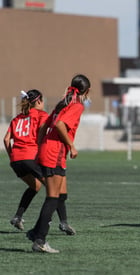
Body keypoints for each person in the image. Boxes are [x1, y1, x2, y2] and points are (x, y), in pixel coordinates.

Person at [27, 74, 90, 253]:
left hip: (50, 150)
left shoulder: (63, 102)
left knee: (61, 195)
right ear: (88, 91)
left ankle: (34, 232)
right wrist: (72, 146)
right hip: (55, 152)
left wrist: (40, 146)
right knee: (53, 197)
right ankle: (39, 240)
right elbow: (60, 125)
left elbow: (44, 126)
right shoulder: (77, 105)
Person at [4, 90, 75, 234]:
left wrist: (12, 155)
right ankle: (63, 222)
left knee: (35, 186)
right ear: (38, 101)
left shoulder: (17, 119)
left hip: (16, 161)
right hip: (31, 157)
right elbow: (42, 135)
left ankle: (18, 217)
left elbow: (6, 140)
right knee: (55, 189)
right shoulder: (42, 115)